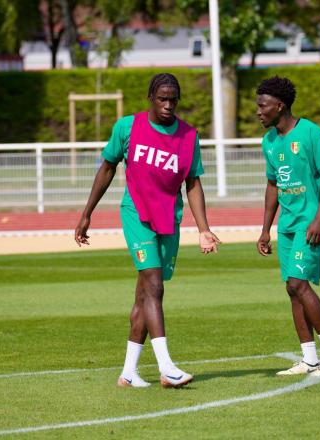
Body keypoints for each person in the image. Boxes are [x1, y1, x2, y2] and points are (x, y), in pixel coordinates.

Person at [75, 73, 220, 388]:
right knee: (154, 285)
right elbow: (108, 168)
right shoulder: (127, 127)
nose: (168, 105)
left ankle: (128, 373)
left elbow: (193, 182)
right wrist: (87, 213)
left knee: (145, 294)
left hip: (170, 218)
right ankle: (167, 367)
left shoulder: (188, 136)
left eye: (173, 99)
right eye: (162, 99)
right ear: (151, 98)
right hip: (136, 215)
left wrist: (204, 229)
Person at [255, 76, 320, 377]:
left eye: (263, 106)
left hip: (310, 222)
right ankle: (309, 358)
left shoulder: (309, 132)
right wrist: (266, 229)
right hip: (287, 225)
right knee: (291, 290)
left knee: (298, 284)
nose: (258, 111)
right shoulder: (269, 141)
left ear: (279, 106)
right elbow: (272, 184)